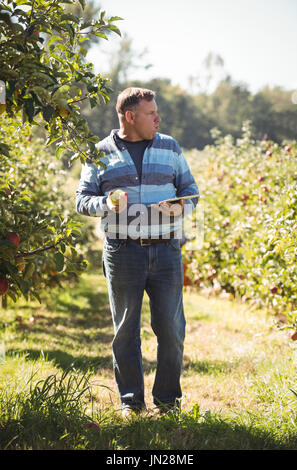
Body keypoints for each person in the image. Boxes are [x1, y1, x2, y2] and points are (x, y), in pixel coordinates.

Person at [76, 87, 199, 416]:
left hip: (167, 252)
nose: (158, 118)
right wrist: (105, 203)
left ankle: (168, 401)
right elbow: (82, 200)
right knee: (126, 331)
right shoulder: (99, 153)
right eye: (150, 113)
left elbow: (191, 191)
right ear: (130, 117)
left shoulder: (170, 146)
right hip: (122, 253)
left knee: (172, 330)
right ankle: (132, 402)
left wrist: (178, 207)